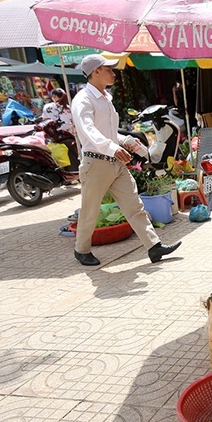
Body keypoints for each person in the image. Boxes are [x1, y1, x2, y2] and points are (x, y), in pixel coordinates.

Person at [70, 54, 181, 267]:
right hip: (96, 163)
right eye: (109, 69)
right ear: (95, 72)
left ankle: (154, 246)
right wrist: (113, 147)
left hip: (115, 162)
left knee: (134, 205)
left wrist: (127, 140)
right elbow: (89, 131)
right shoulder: (83, 100)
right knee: (90, 209)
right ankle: (81, 249)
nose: (113, 72)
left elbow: (109, 132)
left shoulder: (106, 98)